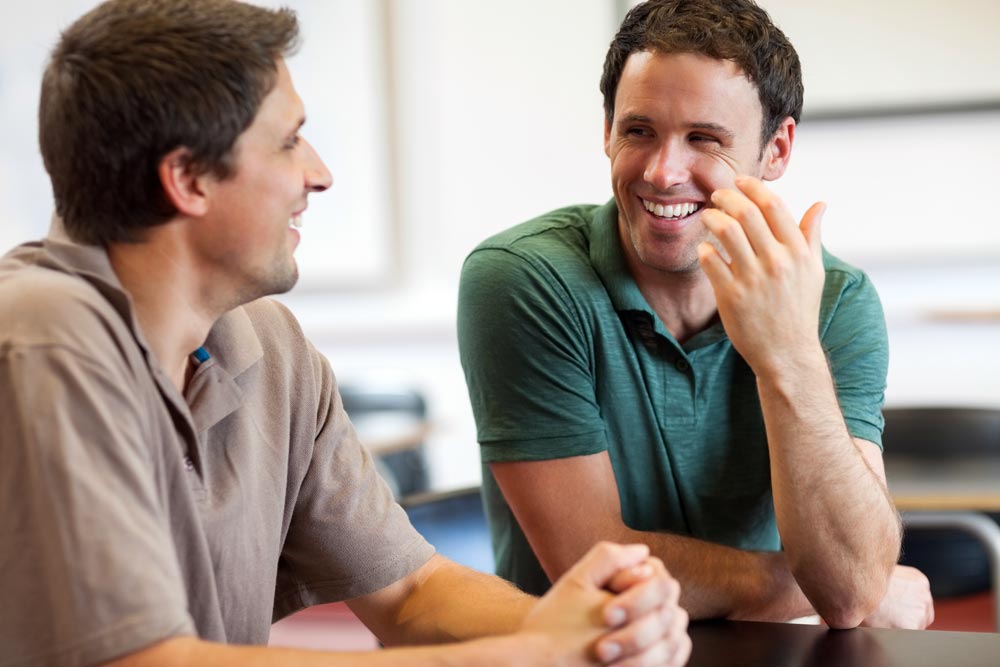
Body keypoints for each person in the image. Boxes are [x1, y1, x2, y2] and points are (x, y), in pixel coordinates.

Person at [0, 1, 692, 665]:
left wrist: (599, 630)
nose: (318, 173)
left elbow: (411, 592)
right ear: (187, 178)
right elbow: (144, 660)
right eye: (289, 141)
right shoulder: (41, 337)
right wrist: (532, 652)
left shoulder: (267, 344)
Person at [457, 0, 933, 630]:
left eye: (704, 139)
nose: (662, 172)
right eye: (639, 130)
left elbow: (846, 588)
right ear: (606, 129)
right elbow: (590, 568)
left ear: (776, 149)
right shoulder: (524, 278)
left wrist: (788, 351)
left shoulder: (836, 299)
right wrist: (807, 586)